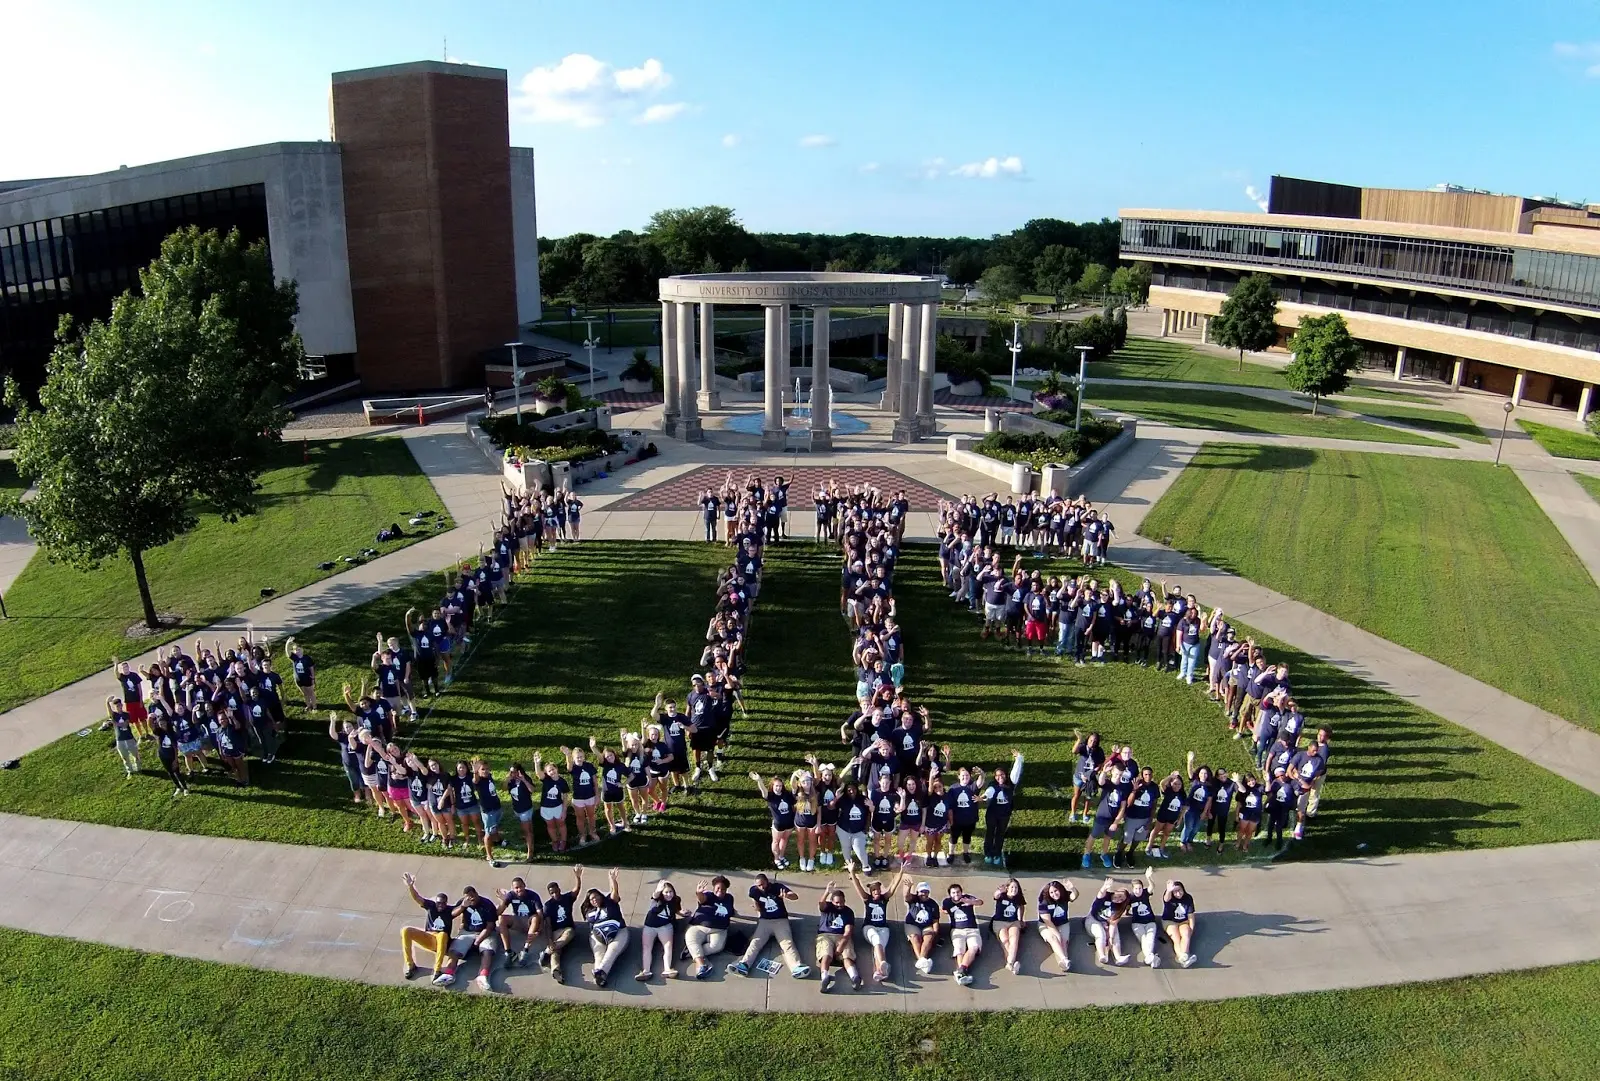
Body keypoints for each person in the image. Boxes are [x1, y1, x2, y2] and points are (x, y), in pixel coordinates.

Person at [730, 873, 811, 979]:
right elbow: (755, 900)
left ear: (767, 881)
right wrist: (758, 911)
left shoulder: (777, 887)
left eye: (763, 884)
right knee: (755, 943)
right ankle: (744, 965)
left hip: (780, 920)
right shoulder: (753, 891)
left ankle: (796, 967)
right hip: (765, 921)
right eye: (759, 885)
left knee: (787, 944)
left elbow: (795, 896)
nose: (762, 887)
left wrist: (787, 896)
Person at [445, 884, 503, 992]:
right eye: (468, 897)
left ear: (476, 893)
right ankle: (449, 974)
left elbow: (490, 926)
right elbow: (451, 915)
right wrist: (463, 906)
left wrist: (479, 939)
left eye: (472, 896)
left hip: (485, 931)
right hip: (467, 932)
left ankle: (482, 976)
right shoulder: (463, 903)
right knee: (455, 950)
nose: (471, 898)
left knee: (487, 951)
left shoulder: (487, 904)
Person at [849, 867, 902, 983]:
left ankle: (879, 972)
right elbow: (858, 887)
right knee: (877, 941)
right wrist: (852, 872)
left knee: (880, 947)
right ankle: (883, 963)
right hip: (869, 928)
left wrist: (901, 872)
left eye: (878, 889)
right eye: (873, 890)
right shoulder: (867, 899)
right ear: (871, 892)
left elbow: (893, 886)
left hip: (883, 928)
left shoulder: (885, 898)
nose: (876, 892)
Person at [400, 872, 453, 982]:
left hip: (441, 941)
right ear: (436, 902)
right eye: (439, 903)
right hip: (428, 938)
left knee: (443, 934)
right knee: (406, 931)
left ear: (446, 903)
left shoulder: (450, 910)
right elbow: (417, 898)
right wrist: (411, 886)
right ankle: (410, 965)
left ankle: (437, 970)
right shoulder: (431, 906)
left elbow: (462, 907)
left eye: (443, 903)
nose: (440, 906)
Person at [580, 868, 628, 987]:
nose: (594, 900)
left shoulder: (610, 902)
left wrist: (612, 880)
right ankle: (600, 976)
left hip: (618, 932)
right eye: (591, 899)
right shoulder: (589, 911)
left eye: (596, 897)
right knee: (598, 955)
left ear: (601, 896)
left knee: (611, 952)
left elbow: (614, 892)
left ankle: (600, 972)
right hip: (598, 936)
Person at [536, 867, 583, 985]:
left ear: (559, 890)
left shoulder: (567, 898)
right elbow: (548, 925)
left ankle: (549, 959)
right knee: (556, 948)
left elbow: (576, 890)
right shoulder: (548, 905)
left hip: (567, 929)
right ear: (549, 894)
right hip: (556, 932)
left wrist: (578, 877)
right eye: (552, 893)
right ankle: (553, 964)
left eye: (556, 891)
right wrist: (550, 940)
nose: (555, 894)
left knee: (566, 936)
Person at [815, 882, 862, 992]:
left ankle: (854, 976)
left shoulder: (848, 912)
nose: (840, 904)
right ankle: (825, 977)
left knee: (847, 956)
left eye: (842, 902)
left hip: (842, 936)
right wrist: (827, 891)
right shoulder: (827, 908)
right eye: (837, 902)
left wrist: (841, 945)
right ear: (832, 901)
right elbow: (821, 904)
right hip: (825, 934)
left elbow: (848, 931)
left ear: (845, 901)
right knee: (826, 954)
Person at [686, 875, 736, 979]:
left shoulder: (729, 898)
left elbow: (731, 911)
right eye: (718, 888)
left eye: (723, 889)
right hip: (699, 926)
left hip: (719, 929)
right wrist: (699, 893)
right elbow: (702, 899)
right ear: (713, 888)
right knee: (691, 937)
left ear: (726, 889)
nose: (720, 891)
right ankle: (701, 966)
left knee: (717, 947)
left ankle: (691, 953)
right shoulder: (708, 895)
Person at [979, 749, 1024, 865]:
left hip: (1005, 814)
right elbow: (989, 792)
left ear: (1005, 775)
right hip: (992, 813)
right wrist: (982, 797)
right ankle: (988, 853)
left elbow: (1016, 772)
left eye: (1002, 774)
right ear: (995, 777)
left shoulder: (1011, 783)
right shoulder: (993, 785)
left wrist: (1018, 758)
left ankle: (997, 854)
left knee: (1000, 834)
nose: (1000, 777)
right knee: (990, 833)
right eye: (997, 775)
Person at [638, 880, 681, 982]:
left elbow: (677, 910)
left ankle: (667, 969)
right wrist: (658, 889)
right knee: (647, 947)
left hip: (665, 926)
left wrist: (683, 913)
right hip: (650, 926)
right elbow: (655, 895)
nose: (669, 894)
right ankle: (646, 971)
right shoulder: (656, 899)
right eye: (666, 892)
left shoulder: (676, 900)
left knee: (668, 946)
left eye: (670, 892)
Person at [942, 883, 984, 985]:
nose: (956, 894)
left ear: (961, 892)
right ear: (950, 894)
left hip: (972, 929)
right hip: (957, 930)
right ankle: (962, 974)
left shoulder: (967, 898)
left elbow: (980, 902)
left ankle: (961, 970)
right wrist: (948, 912)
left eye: (958, 892)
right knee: (959, 950)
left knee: (974, 947)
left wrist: (970, 902)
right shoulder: (947, 902)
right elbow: (943, 909)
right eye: (953, 893)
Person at [496, 876, 542, 967]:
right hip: (517, 920)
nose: (518, 890)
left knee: (536, 918)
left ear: (524, 886)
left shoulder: (533, 895)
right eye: (516, 888)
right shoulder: (511, 895)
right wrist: (503, 901)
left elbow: (540, 913)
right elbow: (499, 912)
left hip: (530, 922)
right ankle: (509, 953)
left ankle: (525, 950)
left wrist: (539, 930)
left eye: (520, 887)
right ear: (513, 889)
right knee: (501, 918)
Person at [1086, 878, 1131, 966]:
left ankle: (1118, 957)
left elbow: (1113, 924)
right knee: (1100, 934)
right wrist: (1104, 887)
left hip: (1108, 922)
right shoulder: (1106, 896)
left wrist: (1110, 937)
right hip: (1093, 919)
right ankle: (1102, 955)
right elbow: (1100, 895)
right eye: (1119, 896)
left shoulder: (1119, 908)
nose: (1118, 899)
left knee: (1115, 935)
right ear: (1115, 892)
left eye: (1121, 899)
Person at [1037, 879, 1078, 973]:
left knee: (1063, 942)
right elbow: (1048, 922)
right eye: (1051, 892)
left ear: (1060, 890)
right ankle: (1064, 959)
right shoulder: (1044, 903)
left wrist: (1072, 888)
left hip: (1063, 923)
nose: (1054, 894)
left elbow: (1074, 896)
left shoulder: (1064, 896)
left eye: (1056, 891)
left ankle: (1064, 964)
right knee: (1054, 939)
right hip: (1046, 924)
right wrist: (1057, 934)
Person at [532, 752, 571, 853]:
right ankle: (555, 841)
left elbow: (566, 797)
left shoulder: (562, 781)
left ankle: (563, 841)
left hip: (558, 807)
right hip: (546, 808)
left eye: (553, 769)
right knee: (551, 826)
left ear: (556, 769)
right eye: (549, 771)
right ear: (547, 773)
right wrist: (537, 763)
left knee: (561, 824)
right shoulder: (546, 780)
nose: (552, 772)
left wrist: (564, 810)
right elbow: (538, 774)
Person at [903, 879, 941, 975]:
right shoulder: (913, 899)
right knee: (915, 938)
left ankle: (921, 961)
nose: (923, 893)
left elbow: (935, 920)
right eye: (921, 891)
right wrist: (909, 887)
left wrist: (935, 932)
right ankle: (923, 960)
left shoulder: (933, 904)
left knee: (928, 938)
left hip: (927, 925)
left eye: (926, 891)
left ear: (929, 892)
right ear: (917, 892)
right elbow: (906, 897)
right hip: (912, 924)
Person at [991, 877, 1026, 976]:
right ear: (1007, 887)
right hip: (999, 922)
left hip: (1013, 922)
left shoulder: (1019, 897)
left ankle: (1010, 963)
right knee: (1005, 940)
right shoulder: (1001, 895)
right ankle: (1011, 963)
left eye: (1016, 888)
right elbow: (995, 896)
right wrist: (999, 891)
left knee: (1014, 939)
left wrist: (1021, 919)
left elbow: (1022, 907)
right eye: (1012, 887)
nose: (1014, 890)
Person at [1162, 880, 1199, 967]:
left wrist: (1191, 930)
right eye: (1175, 891)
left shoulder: (1188, 898)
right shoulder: (1169, 897)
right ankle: (1184, 957)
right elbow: (1166, 899)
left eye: (1180, 890)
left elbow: (1191, 916)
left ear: (1183, 889)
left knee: (1186, 934)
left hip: (1183, 921)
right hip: (1169, 921)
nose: (1178, 894)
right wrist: (1169, 890)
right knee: (1176, 938)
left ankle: (1182, 958)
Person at [1126, 876, 1161, 968]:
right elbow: (1127, 907)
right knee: (1143, 939)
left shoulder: (1145, 893)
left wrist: (1149, 878)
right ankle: (1152, 957)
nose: (1138, 891)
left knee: (1150, 938)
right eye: (1136, 889)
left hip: (1150, 922)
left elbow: (1152, 886)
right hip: (1137, 923)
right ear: (1133, 889)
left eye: (1140, 888)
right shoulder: (1130, 897)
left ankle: (1149, 958)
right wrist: (1126, 912)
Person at [105, 696, 140, 778]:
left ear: (122, 705)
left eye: (120, 705)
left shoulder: (126, 714)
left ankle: (138, 768)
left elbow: (125, 724)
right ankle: (130, 771)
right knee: (124, 757)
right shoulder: (114, 715)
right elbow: (110, 712)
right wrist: (107, 702)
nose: (119, 707)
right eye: (117, 706)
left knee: (135, 754)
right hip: (120, 740)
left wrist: (115, 723)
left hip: (129, 738)